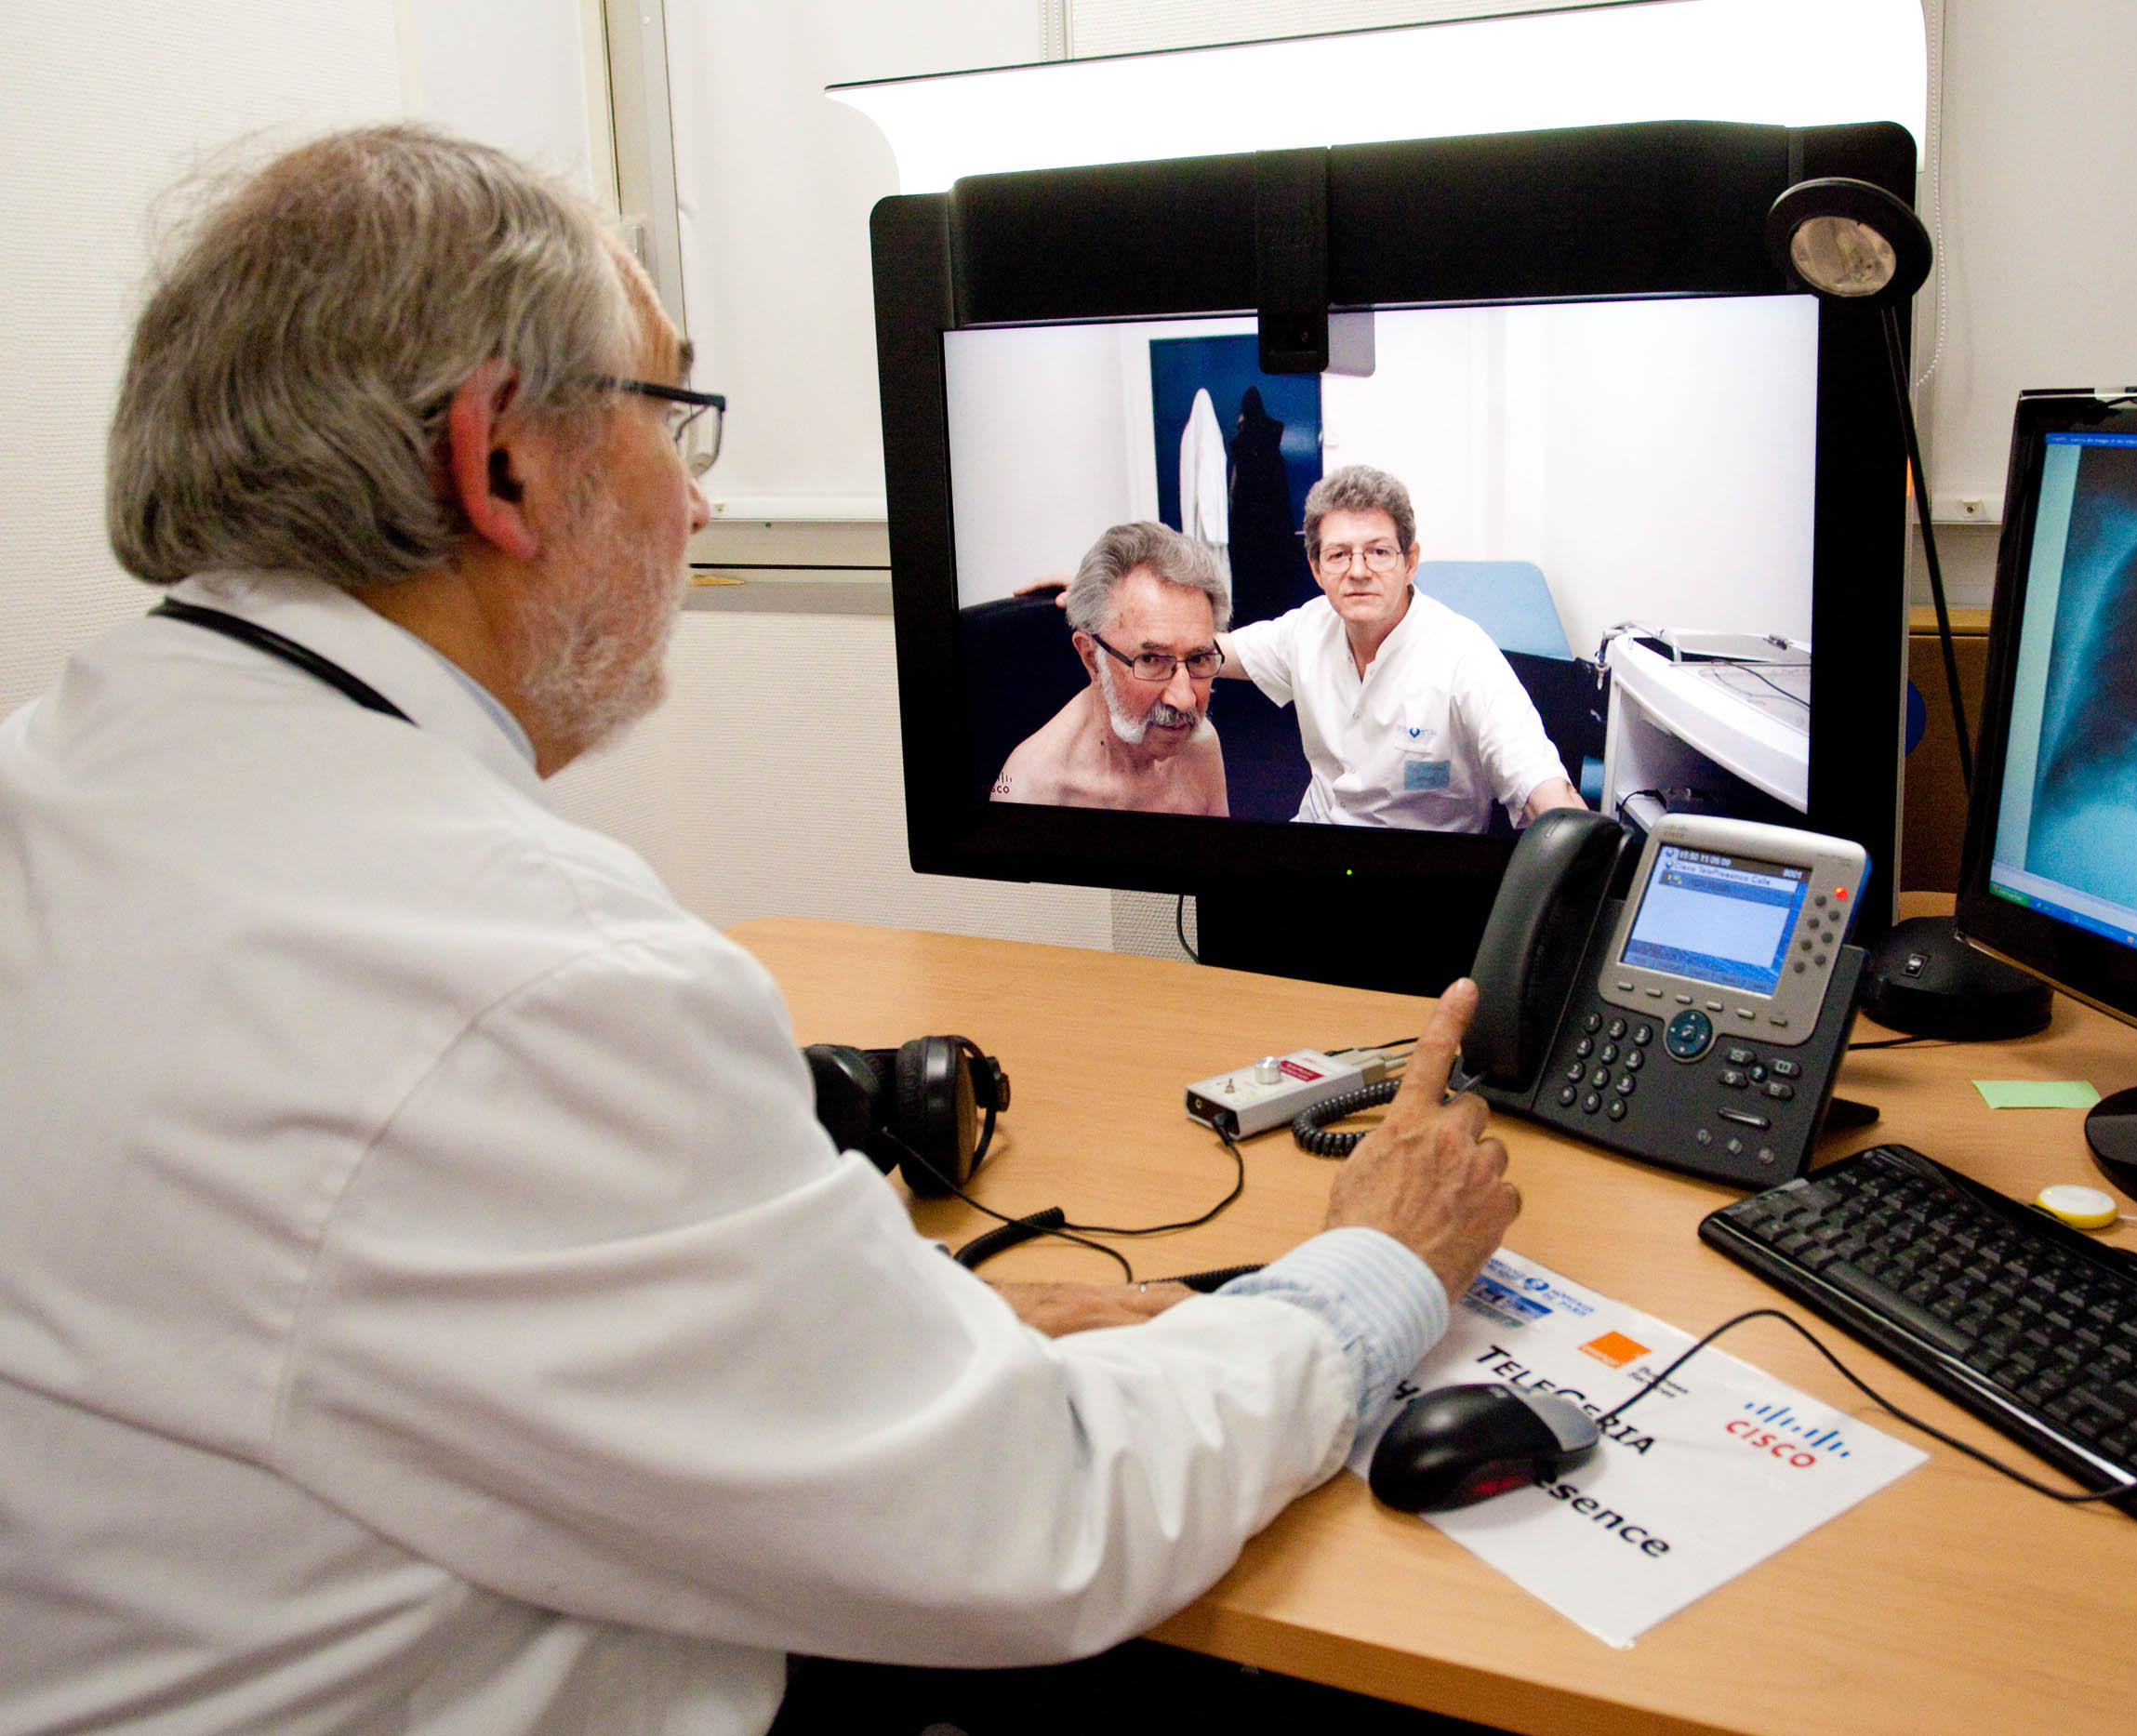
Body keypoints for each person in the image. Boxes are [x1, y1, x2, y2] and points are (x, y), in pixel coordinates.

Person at [0, 126, 1520, 1734]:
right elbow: (1041, 1520)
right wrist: (1374, 1264)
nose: (699, 496)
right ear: (499, 463)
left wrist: (874, 1333)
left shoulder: (56, 780)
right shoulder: (533, 980)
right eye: (670, 417)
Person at [1220, 466, 1589, 831]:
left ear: (1410, 562)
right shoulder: (1306, 629)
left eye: (1379, 552)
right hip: (1317, 839)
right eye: (1339, 555)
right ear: (1317, 569)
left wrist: (1574, 835)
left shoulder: (1463, 654)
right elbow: (1209, 652)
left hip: (1420, 860)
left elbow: (1536, 776)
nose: (1358, 571)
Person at [991, 522, 1231, 815]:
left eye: (1197, 658)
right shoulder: (1031, 792)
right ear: (1092, 658)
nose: (1185, 700)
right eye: (1151, 660)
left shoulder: (1200, 744)